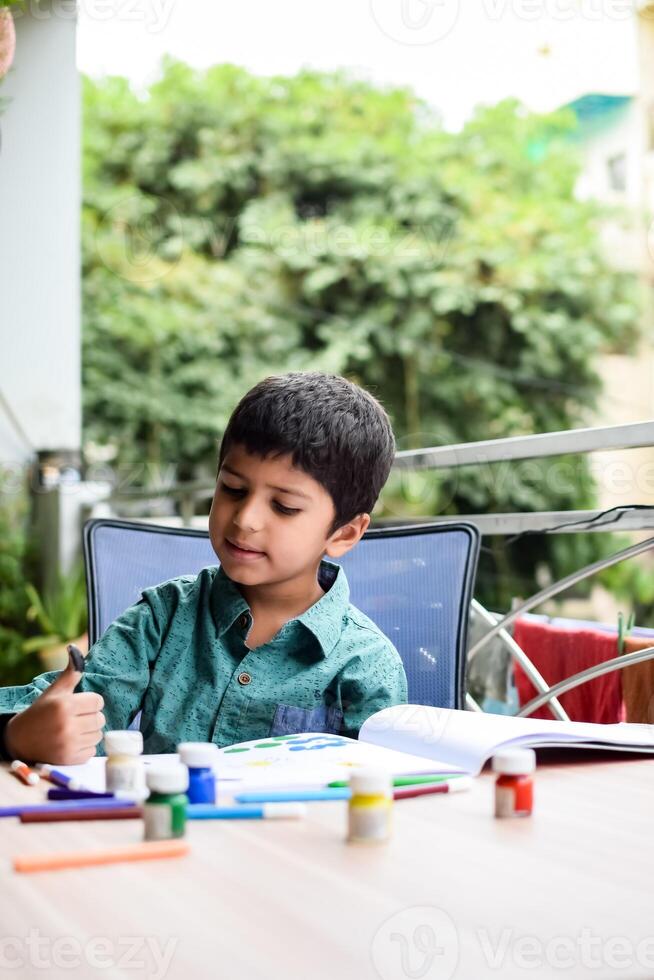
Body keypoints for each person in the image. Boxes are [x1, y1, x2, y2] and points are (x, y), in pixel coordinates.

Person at [0, 372, 408, 764]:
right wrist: (18, 734)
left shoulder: (365, 666)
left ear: (344, 533)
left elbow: (385, 791)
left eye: (284, 507)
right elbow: (69, 712)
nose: (245, 518)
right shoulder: (162, 618)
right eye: (232, 489)